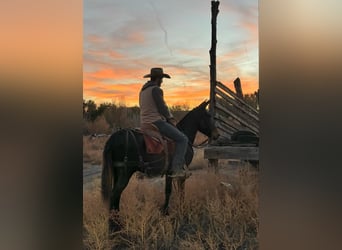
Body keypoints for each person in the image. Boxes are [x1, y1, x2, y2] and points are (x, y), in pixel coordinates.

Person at [139, 67, 188, 178]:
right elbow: (162, 108)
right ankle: (177, 169)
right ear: (158, 79)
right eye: (161, 79)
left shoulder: (143, 90)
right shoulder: (156, 89)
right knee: (183, 139)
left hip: (144, 124)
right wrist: (170, 118)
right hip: (156, 123)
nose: (162, 82)